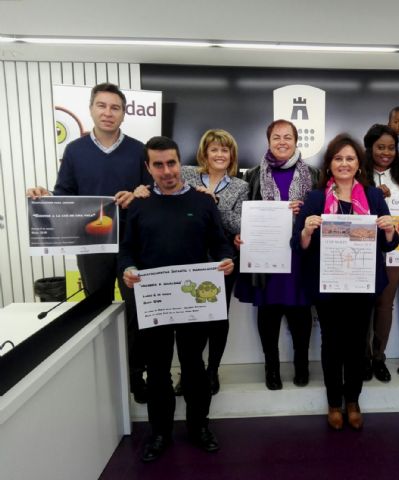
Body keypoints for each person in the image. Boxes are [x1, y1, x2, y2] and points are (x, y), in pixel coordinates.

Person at [26, 82, 150, 403]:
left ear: (124, 113)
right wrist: (45, 197)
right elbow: (64, 195)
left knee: (137, 312)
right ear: (91, 109)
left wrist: (141, 192)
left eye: (115, 107)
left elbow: (152, 192)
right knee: (96, 310)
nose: (108, 113)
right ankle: (103, 375)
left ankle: (136, 374)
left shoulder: (139, 150)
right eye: (102, 106)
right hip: (92, 245)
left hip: (132, 245)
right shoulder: (75, 150)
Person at [120, 136, 235, 462]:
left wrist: (226, 259)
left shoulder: (203, 201)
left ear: (180, 162)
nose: (167, 171)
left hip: (193, 302)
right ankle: (160, 433)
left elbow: (220, 243)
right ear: (148, 167)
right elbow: (127, 249)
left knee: (194, 367)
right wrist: (127, 267)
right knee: (157, 371)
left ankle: (199, 427)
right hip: (154, 301)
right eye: (158, 165)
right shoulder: (139, 204)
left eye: (171, 163)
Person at [292, 134, 399, 430]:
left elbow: (390, 245)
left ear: (358, 164)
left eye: (350, 158)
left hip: (362, 286)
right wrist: (306, 231)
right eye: (338, 158)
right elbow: (297, 245)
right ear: (329, 164)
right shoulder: (316, 198)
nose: (344, 163)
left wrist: (389, 230)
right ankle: (333, 402)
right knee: (332, 345)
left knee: (356, 345)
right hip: (328, 286)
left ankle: (353, 401)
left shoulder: (373, 197)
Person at [236, 119, 318, 390]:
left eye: (287, 137)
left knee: (301, 313)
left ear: (296, 141)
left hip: (300, 256)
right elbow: (243, 212)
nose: (282, 142)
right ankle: (271, 367)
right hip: (266, 257)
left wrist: (305, 210)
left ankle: (302, 364)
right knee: (268, 313)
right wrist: (240, 234)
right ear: (268, 141)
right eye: (276, 137)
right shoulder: (253, 175)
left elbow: (323, 211)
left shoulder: (314, 174)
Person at [179, 129, 248, 395]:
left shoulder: (240, 186)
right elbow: (174, 207)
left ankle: (212, 371)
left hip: (223, 260)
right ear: (205, 153)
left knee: (218, 318)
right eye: (214, 149)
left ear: (231, 155)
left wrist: (212, 203)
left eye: (225, 150)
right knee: (189, 321)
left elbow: (238, 224)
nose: (220, 154)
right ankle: (189, 372)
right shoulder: (186, 175)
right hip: (188, 257)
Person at [362, 124, 399, 383]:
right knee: (363, 306)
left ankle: (378, 357)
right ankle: (362, 357)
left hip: (397, 251)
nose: (386, 153)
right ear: (370, 148)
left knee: (385, 304)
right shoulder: (359, 174)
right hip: (364, 250)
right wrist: (373, 195)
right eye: (380, 147)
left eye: (391, 148)